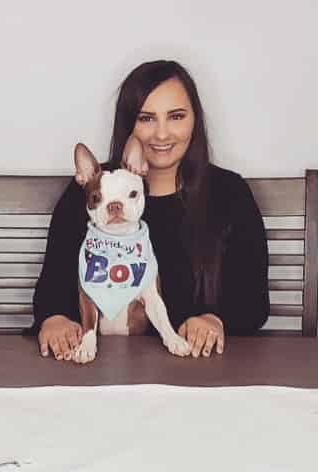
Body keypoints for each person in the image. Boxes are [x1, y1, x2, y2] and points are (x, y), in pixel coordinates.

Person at [31, 59, 270, 360]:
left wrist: (215, 320)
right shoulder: (92, 193)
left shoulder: (229, 193)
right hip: (97, 371)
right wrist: (54, 320)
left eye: (176, 116)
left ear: (195, 120)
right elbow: (52, 288)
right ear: (128, 124)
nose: (161, 134)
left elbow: (253, 302)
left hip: (198, 371)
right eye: (146, 118)